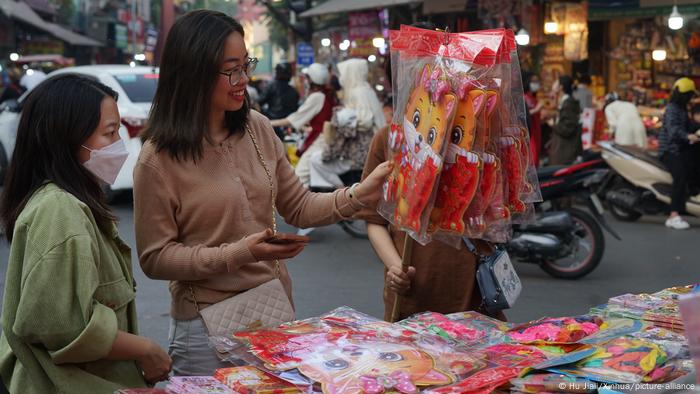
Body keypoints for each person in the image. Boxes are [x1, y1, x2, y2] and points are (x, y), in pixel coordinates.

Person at [132, 10, 392, 376]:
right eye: (231, 69)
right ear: (193, 72)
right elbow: (156, 258)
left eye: (246, 65)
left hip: (272, 312)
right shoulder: (157, 158)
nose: (243, 80)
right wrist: (241, 253)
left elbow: (299, 206)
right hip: (204, 330)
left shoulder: (257, 128)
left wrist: (360, 193)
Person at [0, 74, 171, 392]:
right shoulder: (59, 211)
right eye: (110, 133)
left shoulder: (71, 202)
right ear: (67, 137)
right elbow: (60, 326)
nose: (119, 144)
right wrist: (145, 349)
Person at [359, 125, 505, 322]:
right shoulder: (391, 137)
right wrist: (396, 267)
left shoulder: (484, 138)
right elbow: (374, 221)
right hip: (411, 295)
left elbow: (499, 212)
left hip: (474, 295)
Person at [308, 58, 386, 189]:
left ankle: (344, 191)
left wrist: (344, 117)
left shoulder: (358, 93)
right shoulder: (366, 90)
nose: (341, 77)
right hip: (366, 150)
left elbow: (362, 122)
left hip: (359, 154)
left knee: (316, 160)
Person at [270, 63, 336, 186]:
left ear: (312, 80)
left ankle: (301, 204)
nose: (305, 81)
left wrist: (267, 123)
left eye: (307, 78)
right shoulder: (326, 95)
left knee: (300, 177)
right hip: (324, 138)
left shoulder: (317, 96)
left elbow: (294, 119)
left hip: (320, 140)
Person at [658, 77, 699, 230]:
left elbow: (690, 125)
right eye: (690, 95)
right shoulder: (672, 109)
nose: (691, 98)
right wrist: (688, 136)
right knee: (680, 176)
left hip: (680, 148)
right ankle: (673, 215)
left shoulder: (682, 109)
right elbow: (673, 130)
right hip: (669, 150)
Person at [548, 75, 583, 166]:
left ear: (561, 87)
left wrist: (553, 124)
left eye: (556, 82)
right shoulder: (565, 101)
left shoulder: (569, 103)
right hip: (562, 148)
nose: (553, 84)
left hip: (565, 151)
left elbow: (567, 129)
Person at [259, 62, 300, 139]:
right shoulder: (293, 91)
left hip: (273, 123)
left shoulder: (271, 86)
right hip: (287, 124)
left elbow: (260, 101)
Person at [523, 72, 543, 167]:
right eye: (533, 81)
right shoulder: (524, 98)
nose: (536, 83)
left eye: (537, 81)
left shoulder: (534, 98)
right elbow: (523, 115)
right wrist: (536, 110)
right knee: (532, 157)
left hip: (537, 131)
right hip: (531, 134)